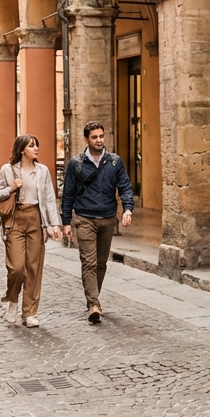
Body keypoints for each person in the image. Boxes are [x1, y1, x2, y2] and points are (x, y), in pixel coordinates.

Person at [61, 122, 133, 324]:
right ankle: (93, 304)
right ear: (86, 139)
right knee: (89, 262)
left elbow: (125, 187)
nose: (99, 140)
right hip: (84, 218)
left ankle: (93, 301)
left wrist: (127, 209)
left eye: (101, 136)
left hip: (108, 219)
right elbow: (68, 195)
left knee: (101, 263)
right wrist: (66, 222)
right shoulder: (76, 163)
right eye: (94, 137)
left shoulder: (114, 162)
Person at [0, 135, 60, 328]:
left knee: (34, 267)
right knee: (17, 268)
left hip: (35, 219)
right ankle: (13, 300)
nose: (36, 148)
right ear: (22, 150)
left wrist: (54, 224)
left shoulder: (42, 171)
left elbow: (48, 198)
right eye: (31, 146)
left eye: (37, 144)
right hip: (14, 220)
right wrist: (11, 188)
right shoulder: (8, 169)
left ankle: (30, 312)